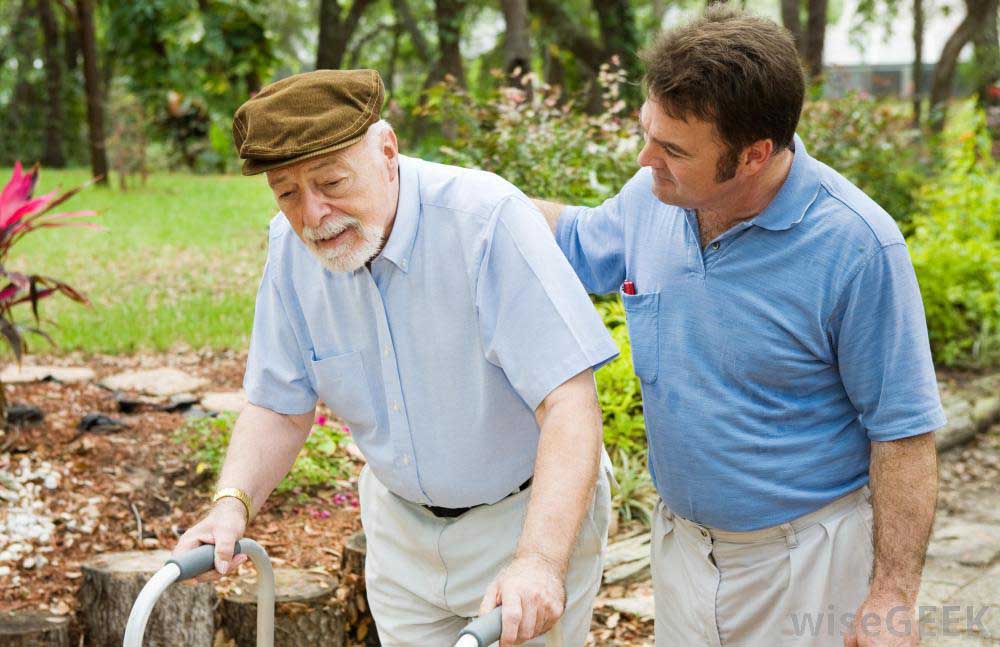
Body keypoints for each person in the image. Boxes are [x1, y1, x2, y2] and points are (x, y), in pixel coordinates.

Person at [532, 8, 945, 646]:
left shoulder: (858, 248)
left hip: (807, 563)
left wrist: (891, 596)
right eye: (647, 133)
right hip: (682, 553)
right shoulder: (654, 197)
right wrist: (462, 201)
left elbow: (904, 436)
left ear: (752, 156)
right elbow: (580, 242)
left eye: (672, 149)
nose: (646, 161)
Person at [173, 69, 619, 647]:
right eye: (286, 192)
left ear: (387, 151)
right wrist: (231, 504)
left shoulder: (486, 221)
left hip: (525, 516)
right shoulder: (290, 250)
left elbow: (569, 403)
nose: (312, 215)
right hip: (400, 530)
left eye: (331, 181)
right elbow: (279, 407)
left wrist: (538, 560)